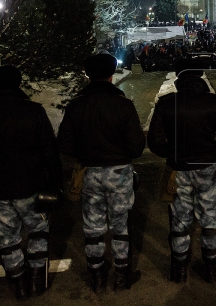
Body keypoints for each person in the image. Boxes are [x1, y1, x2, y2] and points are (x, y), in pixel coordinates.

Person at [0, 66, 63, 300]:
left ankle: (19, 282)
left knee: (7, 237)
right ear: (19, 84)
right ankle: (38, 280)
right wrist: (55, 183)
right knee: (38, 231)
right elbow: (49, 151)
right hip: (31, 186)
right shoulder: (34, 112)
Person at [58, 53, 146, 292]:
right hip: (119, 173)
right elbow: (137, 147)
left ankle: (96, 275)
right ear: (111, 75)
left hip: (90, 171)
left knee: (93, 227)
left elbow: (64, 144)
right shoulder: (123, 104)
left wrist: (85, 153)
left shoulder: (77, 105)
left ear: (87, 76)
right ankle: (121, 275)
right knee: (121, 225)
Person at [147, 60, 216, 283]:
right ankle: (212, 266)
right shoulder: (213, 102)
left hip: (178, 169)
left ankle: (179, 268)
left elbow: (155, 142)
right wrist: (208, 151)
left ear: (179, 76)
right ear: (200, 76)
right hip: (206, 168)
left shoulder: (167, 103)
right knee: (209, 218)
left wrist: (175, 152)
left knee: (179, 219)